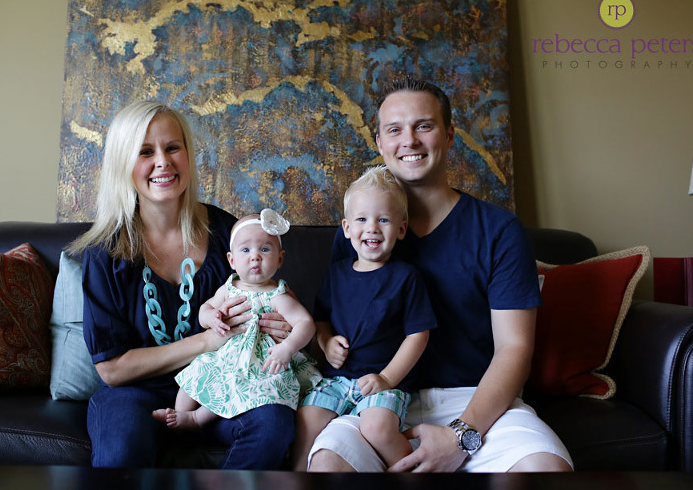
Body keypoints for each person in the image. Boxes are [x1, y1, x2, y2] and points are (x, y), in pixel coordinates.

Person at [307, 77, 574, 472]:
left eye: (424, 126)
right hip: (373, 399)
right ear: (379, 143)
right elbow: (327, 322)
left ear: (449, 136)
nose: (409, 140)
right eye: (394, 130)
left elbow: (514, 348)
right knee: (327, 464)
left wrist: (462, 434)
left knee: (545, 468)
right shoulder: (359, 234)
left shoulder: (498, 230)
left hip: (477, 401)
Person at [69, 100, 295, 469]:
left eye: (173, 147)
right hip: (136, 394)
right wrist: (206, 341)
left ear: (188, 155)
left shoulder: (229, 232)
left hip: (224, 387)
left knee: (273, 423)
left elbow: (272, 297)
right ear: (123, 164)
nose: (163, 162)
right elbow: (112, 369)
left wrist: (280, 326)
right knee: (121, 448)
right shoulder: (105, 252)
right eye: (145, 152)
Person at [292, 166, 437, 470]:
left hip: (384, 380)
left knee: (377, 429)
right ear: (346, 228)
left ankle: (415, 471)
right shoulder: (336, 274)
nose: (372, 228)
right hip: (337, 379)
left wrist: (388, 378)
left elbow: (418, 335)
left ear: (401, 229)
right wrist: (326, 342)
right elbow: (321, 319)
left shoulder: (406, 277)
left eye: (383, 220)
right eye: (361, 220)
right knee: (306, 420)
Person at [152, 210, 321, 429]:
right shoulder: (228, 287)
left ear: (280, 259)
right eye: (245, 250)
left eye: (265, 249)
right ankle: (180, 417)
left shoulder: (278, 296)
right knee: (195, 372)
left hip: (258, 363)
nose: (255, 256)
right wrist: (211, 317)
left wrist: (287, 348)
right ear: (231, 260)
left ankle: (197, 419)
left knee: (233, 386)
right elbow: (205, 309)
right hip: (226, 354)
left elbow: (306, 323)